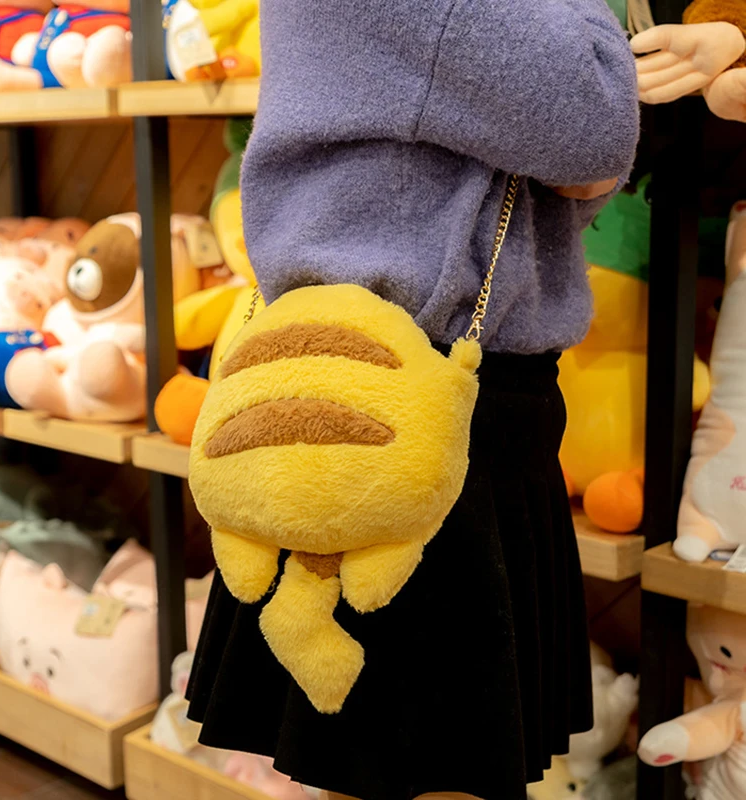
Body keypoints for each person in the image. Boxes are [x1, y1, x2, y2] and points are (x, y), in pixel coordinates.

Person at [187, 2, 640, 800]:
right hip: (421, 403)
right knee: (424, 767)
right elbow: (592, 120)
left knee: (384, 763)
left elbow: (581, 160)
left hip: (384, 383)